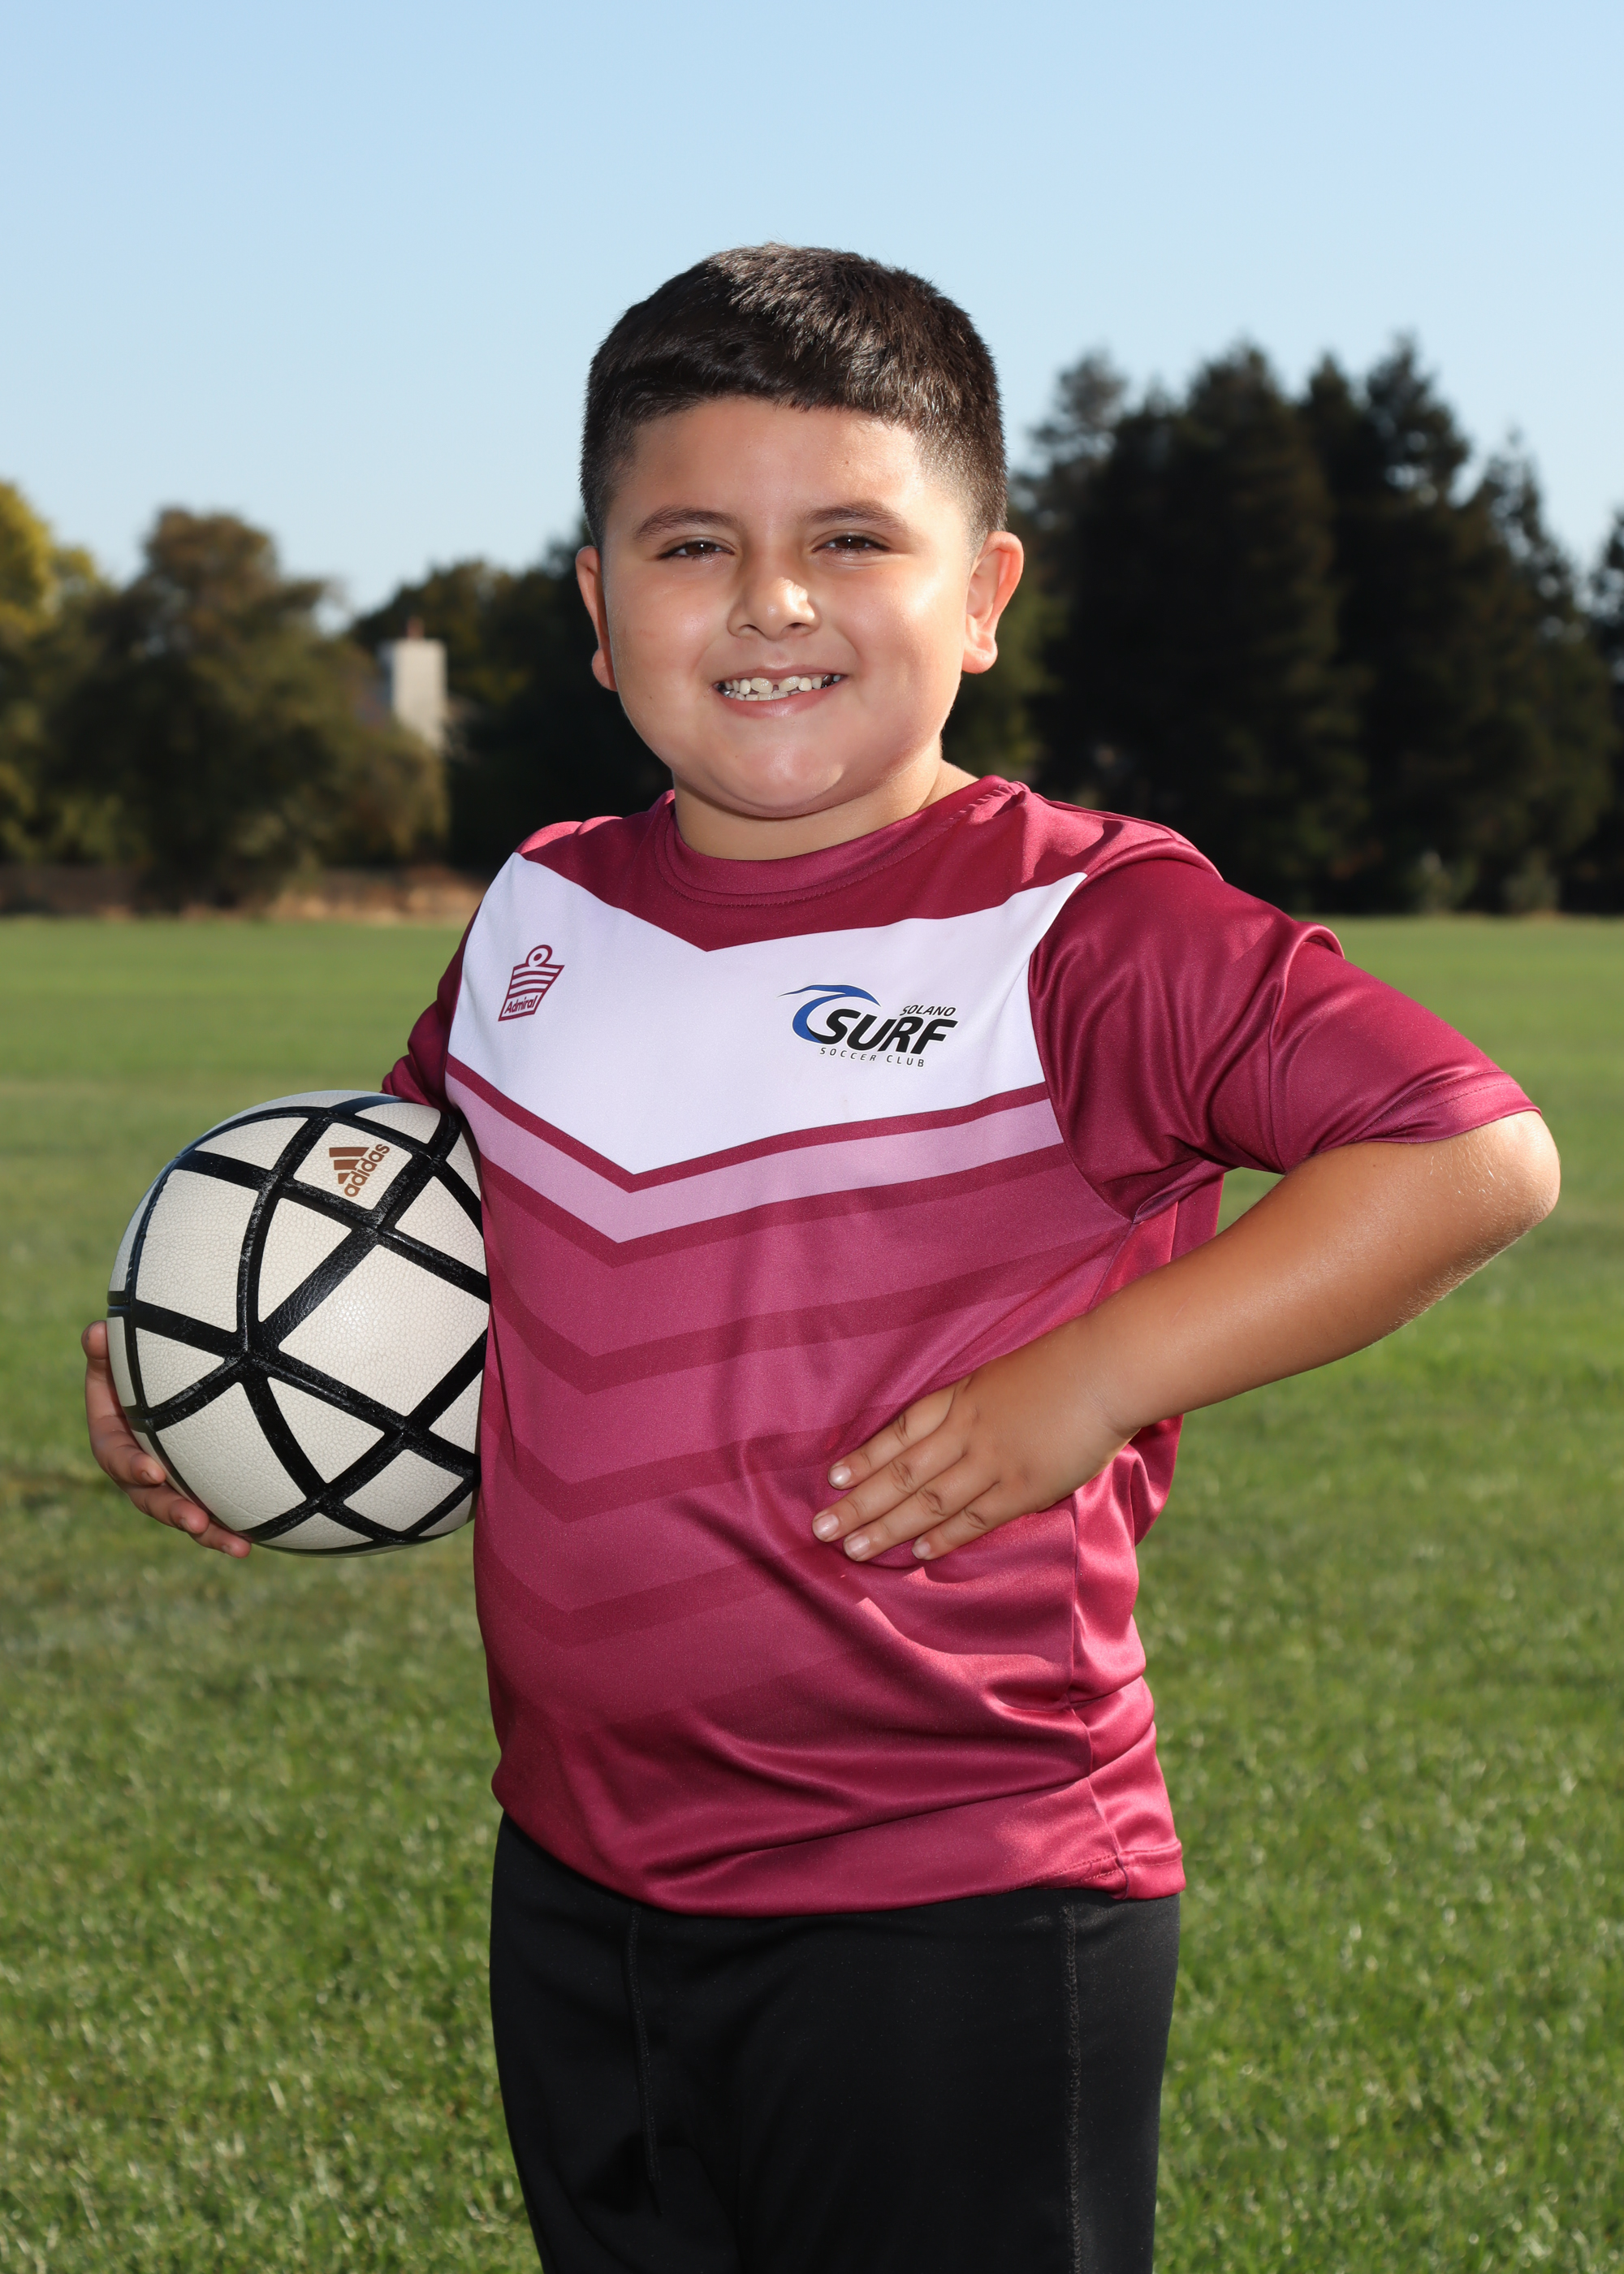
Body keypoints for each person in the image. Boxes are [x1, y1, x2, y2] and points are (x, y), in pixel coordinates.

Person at [82, 245, 1559, 2274]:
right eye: (692, 543)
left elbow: (1466, 1149)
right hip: (577, 1876)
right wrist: (212, 1379)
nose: (771, 599)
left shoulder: (1085, 923)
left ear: (983, 593)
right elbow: (404, 1235)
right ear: (598, 607)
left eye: (850, 539)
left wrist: (1093, 1377)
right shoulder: (543, 908)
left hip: (959, 1893)